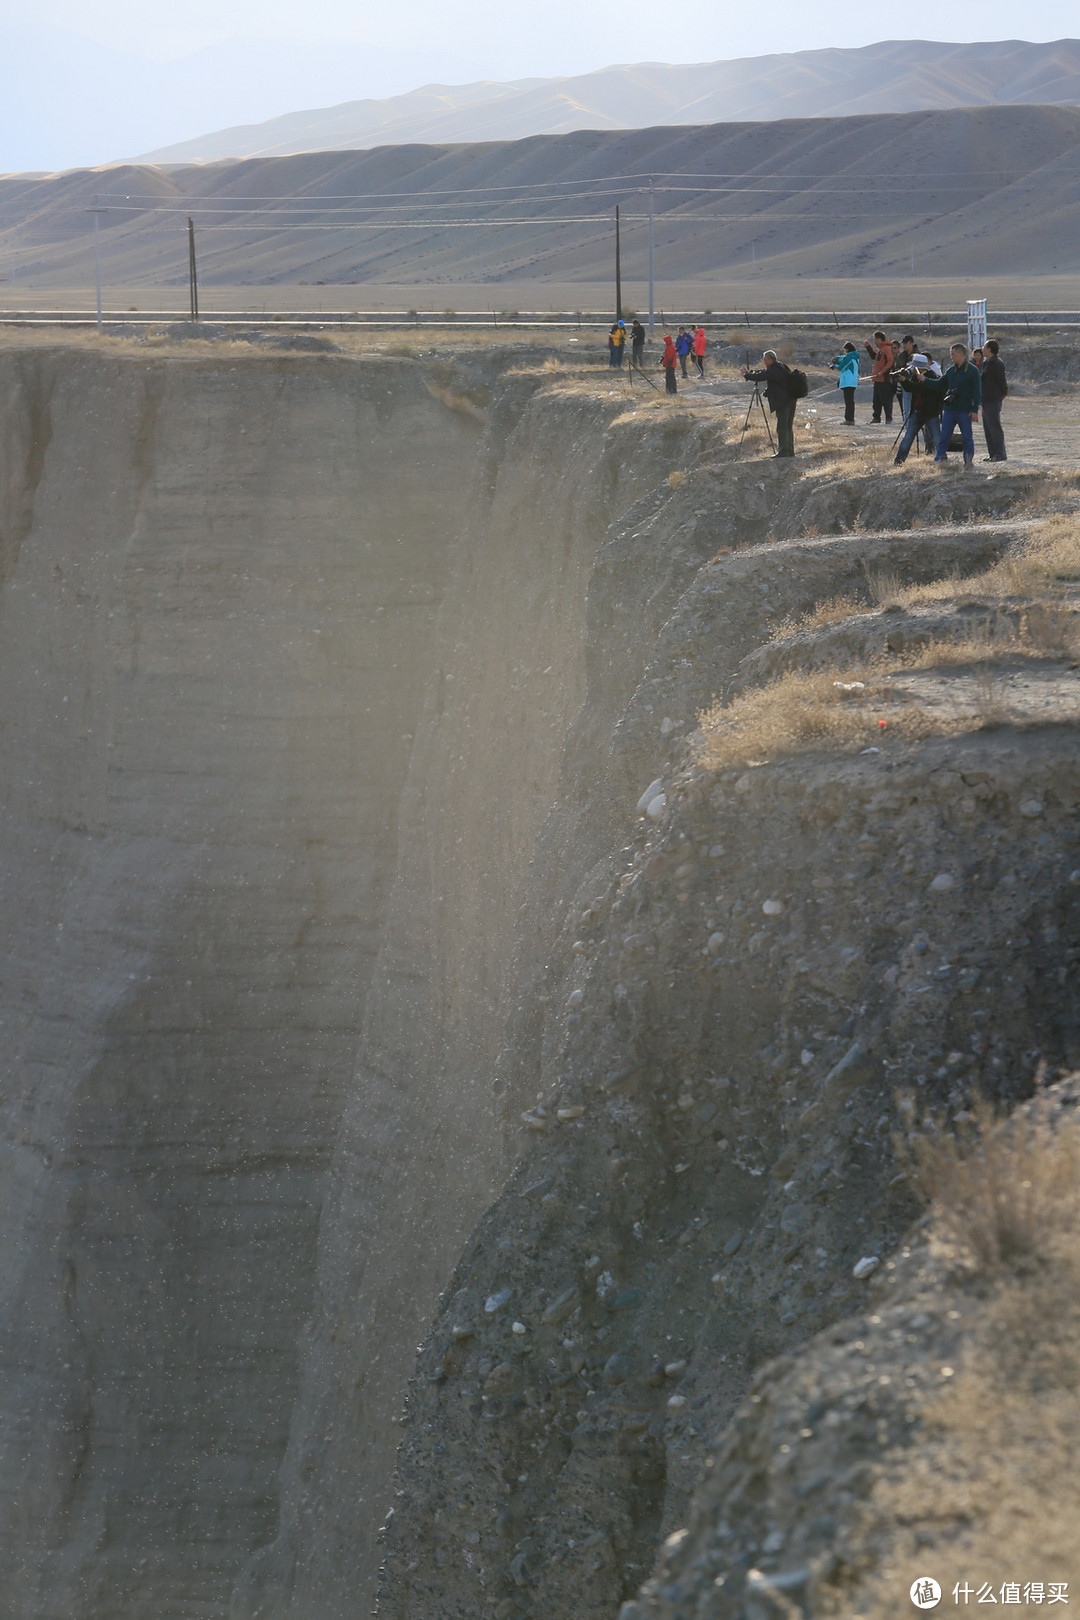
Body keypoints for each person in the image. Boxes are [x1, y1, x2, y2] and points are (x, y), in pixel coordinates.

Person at [934, 342, 981, 468]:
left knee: (967, 437)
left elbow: (977, 392)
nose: (951, 357)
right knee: (944, 437)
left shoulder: (972, 371)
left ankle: (968, 461)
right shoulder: (951, 370)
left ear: (961, 354)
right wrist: (924, 381)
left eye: (953, 354)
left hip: (964, 410)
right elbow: (939, 383)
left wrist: (974, 409)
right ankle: (940, 459)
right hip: (950, 409)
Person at [742, 350, 796, 457]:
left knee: (782, 427)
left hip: (783, 402)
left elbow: (761, 376)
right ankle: (789, 451)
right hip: (791, 400)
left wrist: (747, 375)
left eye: (765, 359)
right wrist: (750, 372)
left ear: (770, 359)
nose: (764, 361)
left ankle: (783, 451)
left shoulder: (773, 370)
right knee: (788, 426)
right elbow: (763, 372)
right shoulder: (781, 366)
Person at [894, 358, 946, 464]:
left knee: (937, 438)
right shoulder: (916, 376)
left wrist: (904, 381)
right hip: (917, 412)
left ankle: (942, 460)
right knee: (908, 437)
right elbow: (910, 388)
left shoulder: (931, 376)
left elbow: (917, 387)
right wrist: (903, 380)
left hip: (930, 413)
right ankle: (899, 461)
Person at [980, 339, 1008, 461]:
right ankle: (992, 454)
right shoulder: (986, 362)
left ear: (990, 349)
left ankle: (1000, 454)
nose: (982, 349)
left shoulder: (996, 363)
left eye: (984, 347)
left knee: (994, 427)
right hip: (986, 399)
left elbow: (1002, 381)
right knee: (987, 427)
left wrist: (1002, 394)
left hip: (993, 399)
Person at [864, 330, 897, 424]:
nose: (874, 341)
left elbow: (890, 362)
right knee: (876, 401)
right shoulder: (881, 350)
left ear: (879, 339)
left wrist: (882, 372)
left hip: (884, 380)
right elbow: (875, 357)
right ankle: (876, 418)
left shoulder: (886, 349)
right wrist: (868, 347)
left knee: (886, 400)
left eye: (875, 339)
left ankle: (888, 418)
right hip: (877, 380)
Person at [830, 341, 860, 423]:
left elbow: (841, 367)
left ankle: (849, 419)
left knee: (848, 401)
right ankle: (850, 418)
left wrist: (835, 364)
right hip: (852, 381)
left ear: (847, 349)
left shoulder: (849, 357)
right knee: (850, 401)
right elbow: (843, 358)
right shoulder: (854, 356)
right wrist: (837, 359)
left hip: (848, 381)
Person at [895, 334, 918, 419]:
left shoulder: (918, 355)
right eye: (903, 343)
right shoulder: (901, 356)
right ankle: (907, 424)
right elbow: (896, 367)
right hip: (904, 384)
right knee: (906, 408)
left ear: (911, 343)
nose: (904, 345)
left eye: (906, 343)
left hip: (916, 384)